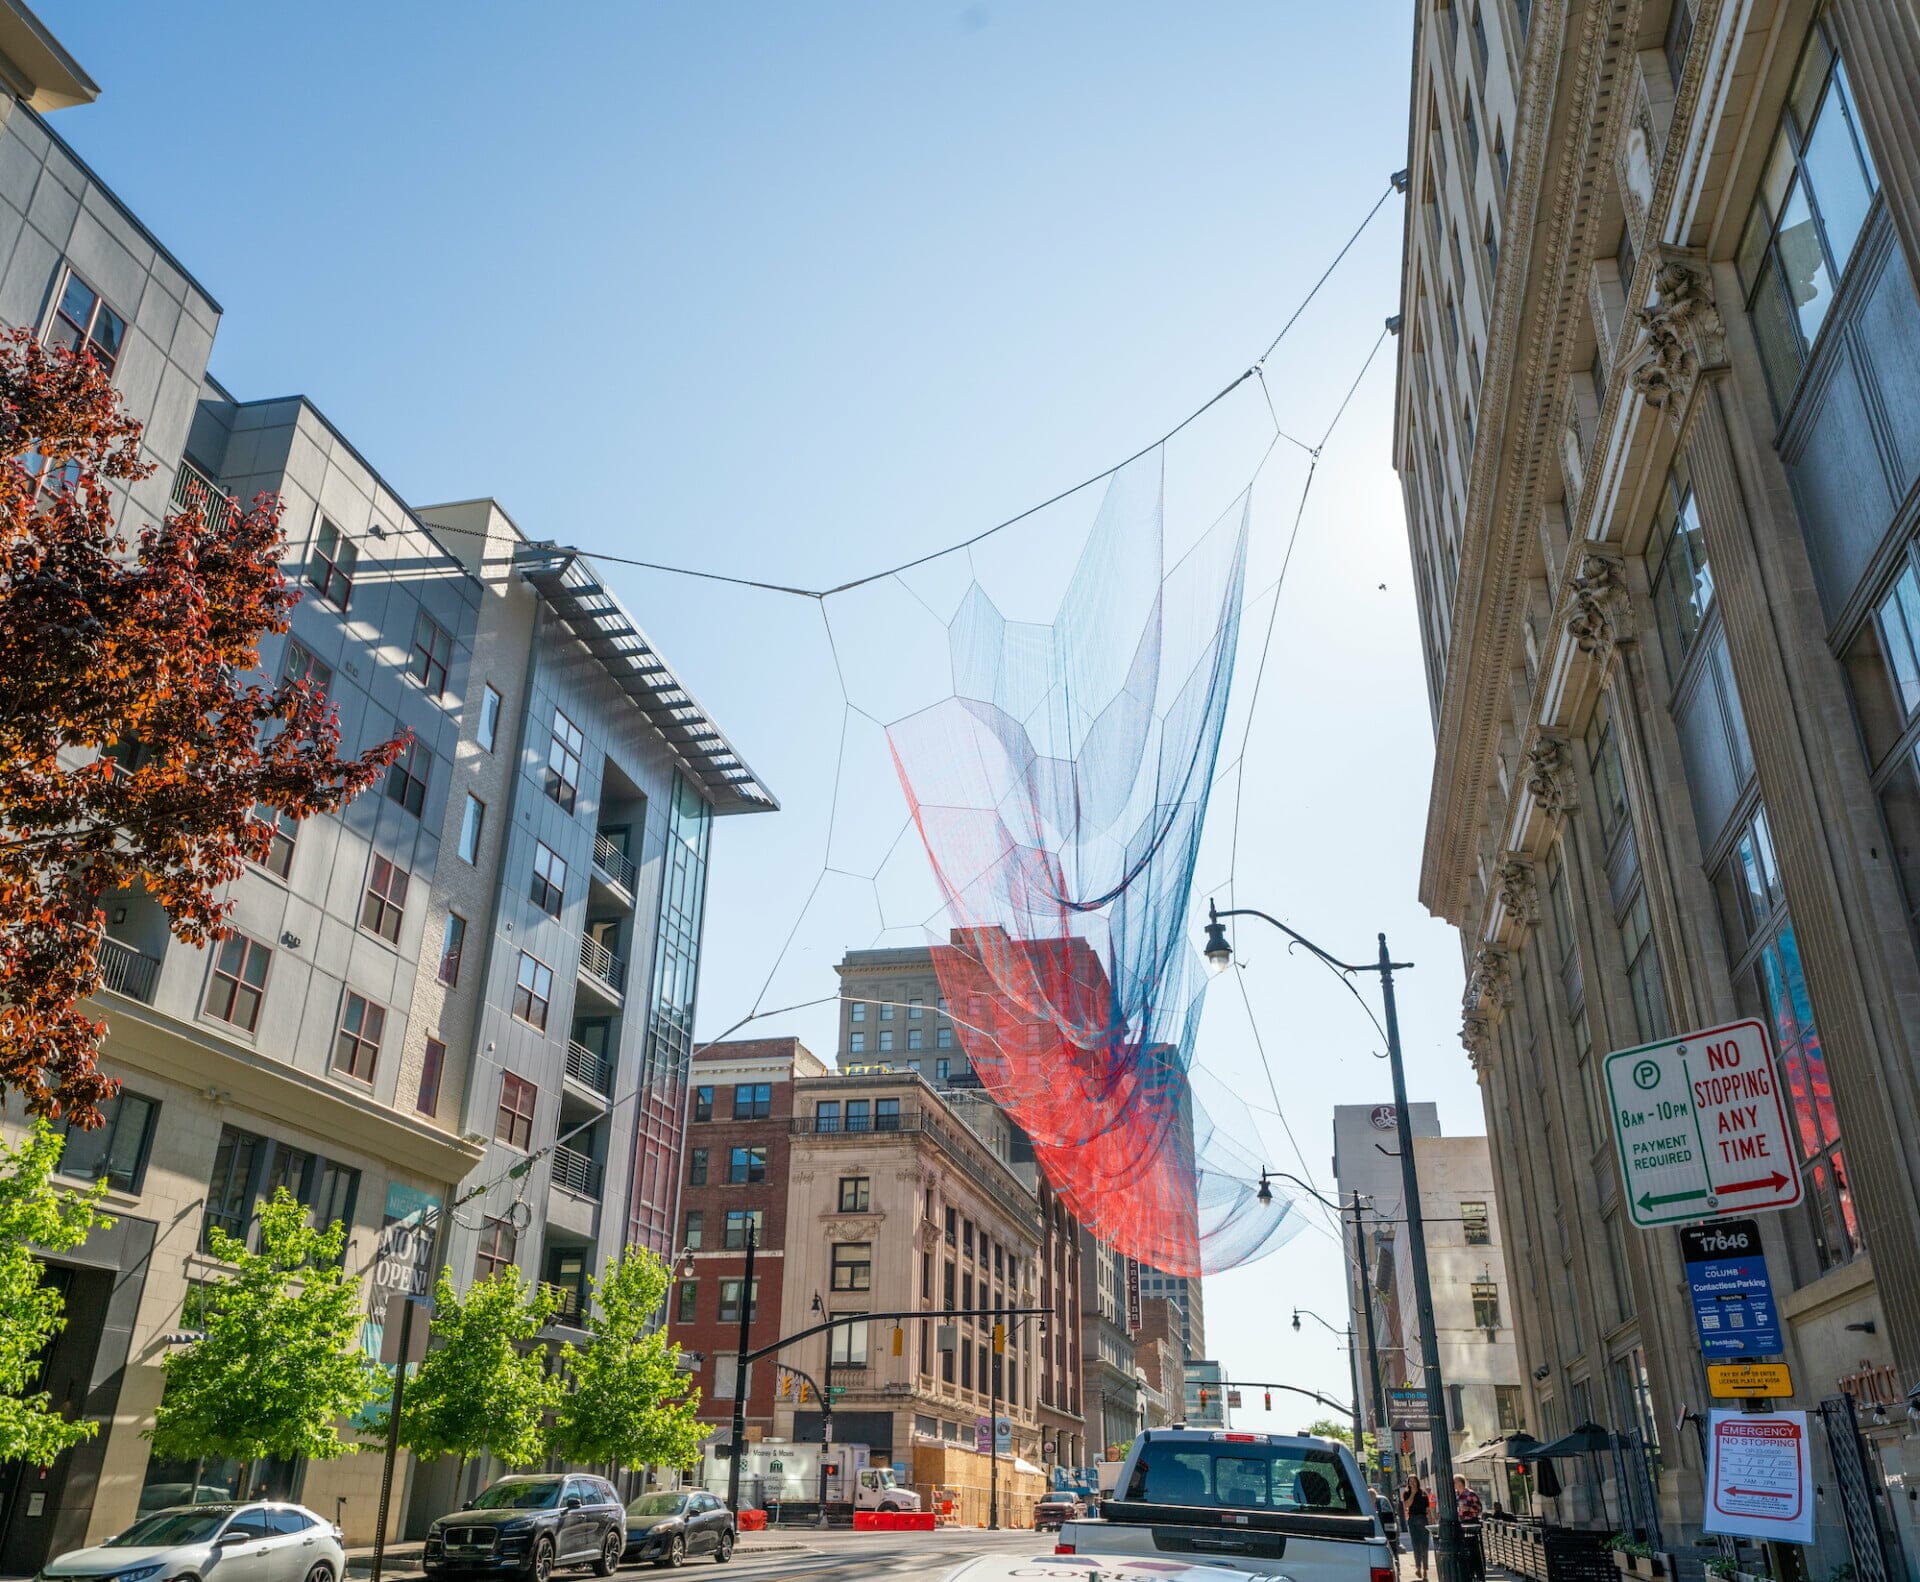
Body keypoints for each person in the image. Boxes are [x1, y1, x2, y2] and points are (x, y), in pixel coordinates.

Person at [1454, 1474, 1485, 1582]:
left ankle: (1479, 1573)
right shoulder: (1456, 1495)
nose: (1454, 1484)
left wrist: (1468, 1508)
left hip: (1471, 1522)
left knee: (1474, 1549)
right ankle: (1470, 1572)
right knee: (1465, 1549)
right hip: (1461, 1523)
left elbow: (1479, 1508)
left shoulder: (1470, 1494)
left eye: (1455, 1482)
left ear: (1460, 1483)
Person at [1401, 1474, 1431, 1581]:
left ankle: (1425, 1571)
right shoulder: (1406, 1493)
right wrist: (1412, 1494)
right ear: (1408, 1483)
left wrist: (1431, 1522)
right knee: (1416, 1545)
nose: (1412, 1483)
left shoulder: (1423, 1493)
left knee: (1424, 1545)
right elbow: (1407, 1505)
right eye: (1410, 1481)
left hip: (1423, 1519)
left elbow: (1428, 1509)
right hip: (1413, 1520)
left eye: (1414, 1481)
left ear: (1417, 1482)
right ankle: (1418, 1567)